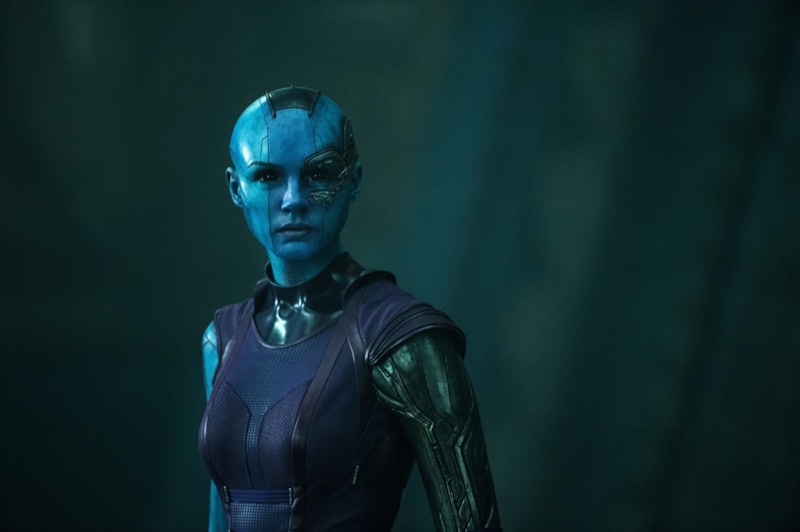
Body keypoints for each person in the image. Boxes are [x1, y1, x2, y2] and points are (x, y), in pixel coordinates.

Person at [198, 86, 501, 531]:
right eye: (268, 176)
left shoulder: (400, 337)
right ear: (235, 187)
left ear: (353, 181)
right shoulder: (221, 339)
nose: (293, 199)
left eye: (319, 174)